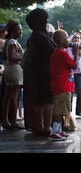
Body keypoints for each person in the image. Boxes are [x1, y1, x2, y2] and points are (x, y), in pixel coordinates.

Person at [26, 9, 56, 137]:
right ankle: (47, 127)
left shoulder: (35, 35)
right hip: (46, 71)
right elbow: (53, 51)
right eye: (46, 18)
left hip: (37, 70)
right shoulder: (41, 36)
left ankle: (38, 125)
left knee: (39, 100)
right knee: (48, 100)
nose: (47, 21)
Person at [48, 29, 79, 141]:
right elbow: (74, 66)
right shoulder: (62, 54)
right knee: (61, 110)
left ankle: (59, 130)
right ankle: (54, 131)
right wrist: (75, 54)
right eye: (67, 38)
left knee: (62, 109)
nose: (69, 41)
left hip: (58, 85)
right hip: (63, 85)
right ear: (61, 41)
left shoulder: (55, 53)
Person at [1, 20, 24, 130]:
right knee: (14, 97)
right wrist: (24, 57)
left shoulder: (7, 41)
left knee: (7, 96)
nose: (21, 32)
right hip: (14, 70)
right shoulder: (13, 42)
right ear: (12, 31)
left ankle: (5, 121)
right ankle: (13, 121)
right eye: (18, 30)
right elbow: (11, 57)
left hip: (9, 69)